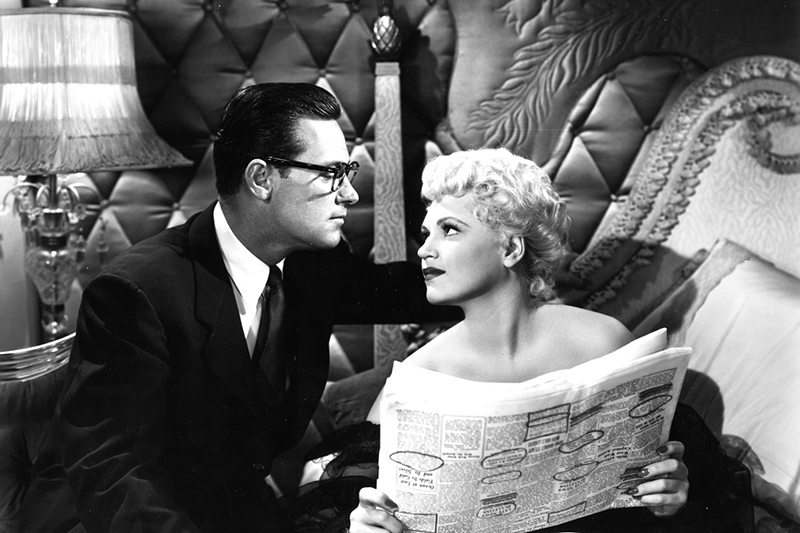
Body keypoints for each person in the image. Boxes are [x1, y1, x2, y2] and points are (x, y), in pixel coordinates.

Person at [54, 83, 456, 533]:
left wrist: (493, 265)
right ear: (261, 179)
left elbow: (393, 291)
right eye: (331, 174)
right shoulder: (135, 293)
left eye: (348, 172)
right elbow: (111, 475)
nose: (349, 195)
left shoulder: (312, 262)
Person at [343, 148, 745, 533]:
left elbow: (666, 485)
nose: (424, 250)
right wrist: (361, 524)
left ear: (511, 248)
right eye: (425, 234)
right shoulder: (417, 378)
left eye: (449, 230)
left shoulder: (602, 342)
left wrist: (671, 495)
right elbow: (348, 497)